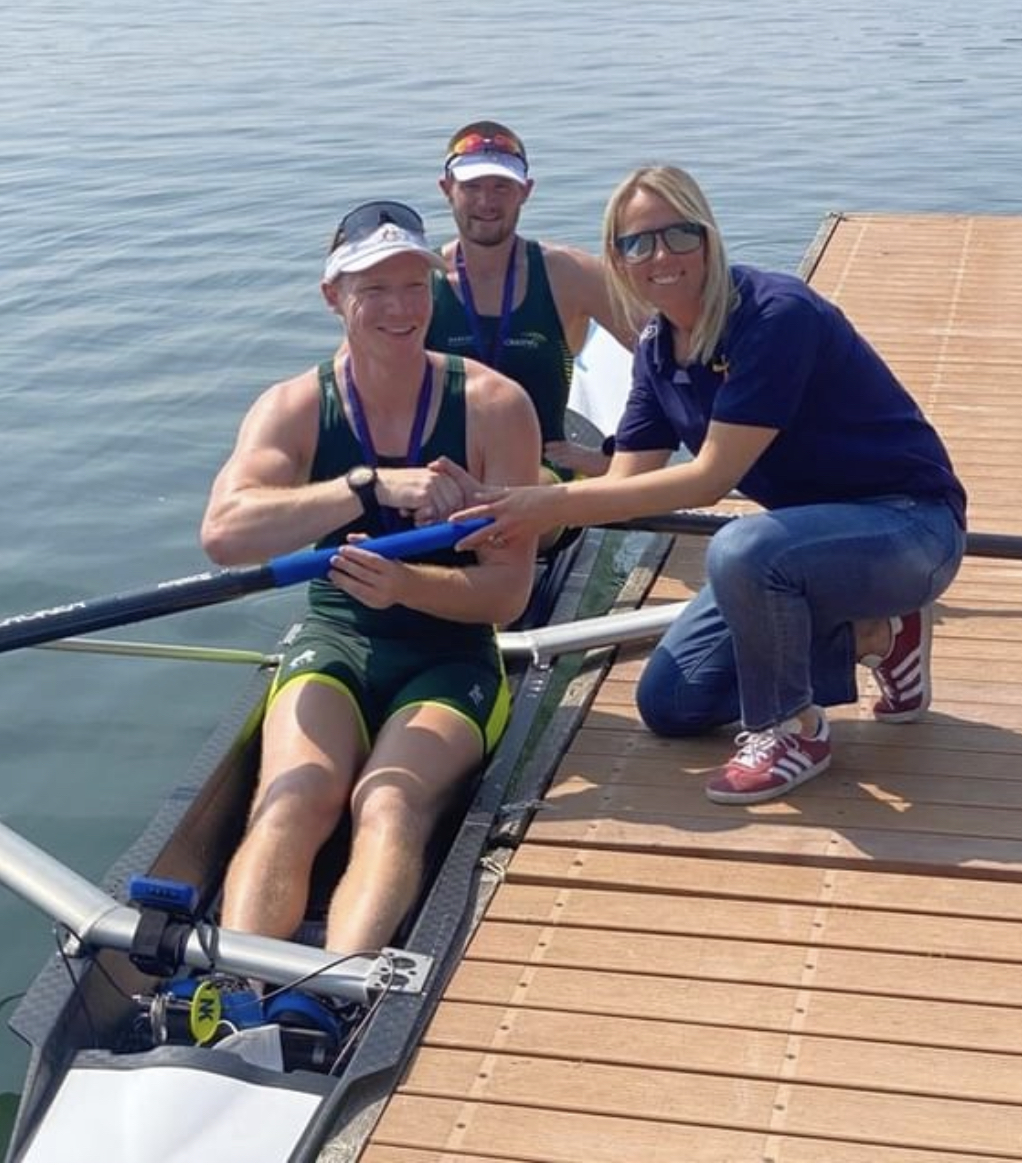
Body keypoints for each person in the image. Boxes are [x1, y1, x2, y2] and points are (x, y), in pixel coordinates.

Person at [443, 165, 967, 806]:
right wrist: (515, 493)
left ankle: (792, 729)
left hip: (910, 526)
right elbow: (628, 478)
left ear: (709, 238)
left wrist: (547, 503)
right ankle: (881, 637)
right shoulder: (660, 349)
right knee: (671, 701)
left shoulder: (774, 316)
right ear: (618, 262)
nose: (660, 256)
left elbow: (711, 478)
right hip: (805, 547)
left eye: (677, 235)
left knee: (739, 549)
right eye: (637, 243)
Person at [200, 200, 541, 959]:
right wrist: (370, 485)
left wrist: (404, 586)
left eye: (413, 286)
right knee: (295, 799)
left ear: (435, 288)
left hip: (452, 655)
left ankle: (338, 989)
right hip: (335, 638)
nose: (399, 309)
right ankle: (238, 991)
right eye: (373, 289)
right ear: (333, 296)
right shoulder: (292, 408)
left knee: (386, 800)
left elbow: (510, 594)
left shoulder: (494, 407)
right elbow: (224, 535)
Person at [427, 119, 635, 481]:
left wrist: (618, 455)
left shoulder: (571, 274)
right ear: (447, 189)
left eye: (502, 187)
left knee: (506, 504)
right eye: (472, 186)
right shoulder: (416, 281)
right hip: (438, 473)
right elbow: (346, 382)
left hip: (541, 473)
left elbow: (668, 354)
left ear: (526, 190)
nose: (486, 201)